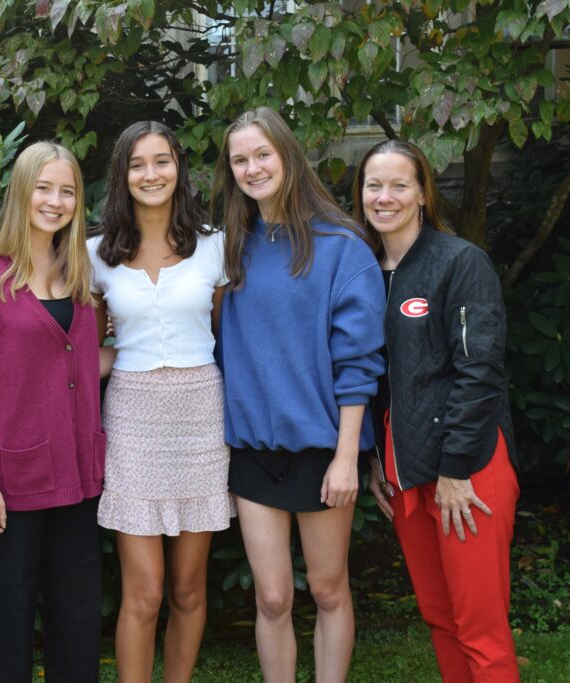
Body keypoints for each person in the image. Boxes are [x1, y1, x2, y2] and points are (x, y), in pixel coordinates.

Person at [212, 107, 385, 683]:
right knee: (273, 599)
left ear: (288, 155)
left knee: (330, 590)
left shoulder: (342, 248)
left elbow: (359, 365)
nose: (252, 168)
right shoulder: (228, 250)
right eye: (240, 159)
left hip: (322, 449)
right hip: (255, 452)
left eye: (263, 154)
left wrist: (346, 457)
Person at [353, 139, 520, 682]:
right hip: (405, 473)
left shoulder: (459, 262)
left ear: (423, 192)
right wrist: (379, 459)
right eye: (374, 185)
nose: (385, 197)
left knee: (480, 626)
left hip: (468, 470)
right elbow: (377, 380)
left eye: (400, 184)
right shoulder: (365, 272)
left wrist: (455, 471)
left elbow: (481, 373)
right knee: (441, 619)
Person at [88, 121, 234, 683]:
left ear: (179, 168)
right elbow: (88, 346)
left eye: (162, 161)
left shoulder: (215, 247)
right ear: (122, 175)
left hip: (200, 414)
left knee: (188, 588)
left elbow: (227, 338)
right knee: (144, 594)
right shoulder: (96, 253)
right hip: (132, 417)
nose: (152, 174)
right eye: (138, 164)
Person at [0, 141, 105, 682]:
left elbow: (85, 361)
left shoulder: (83, 276)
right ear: (22, 191)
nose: (55, 201)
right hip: (14, 476)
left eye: (67, 191)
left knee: (79, 617)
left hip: (80, 473)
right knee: (12, 619)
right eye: (44, 188)